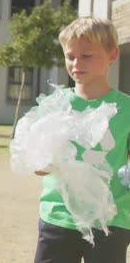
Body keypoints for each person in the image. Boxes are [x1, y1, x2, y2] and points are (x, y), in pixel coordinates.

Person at [34, 17, 130, 263]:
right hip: (58, 216)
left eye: (87, 56)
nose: (76, 63)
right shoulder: (53, 106)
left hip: (110, 219)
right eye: (70, 56)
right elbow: (38, 163)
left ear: (112, 54)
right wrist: (40, 162)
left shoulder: (126, 109)